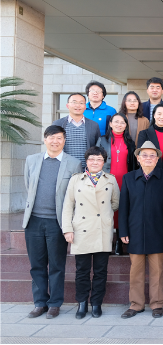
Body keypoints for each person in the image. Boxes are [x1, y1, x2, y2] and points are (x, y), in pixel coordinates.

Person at [23, 126, 82, 319]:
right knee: (37, 265)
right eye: (51, 137)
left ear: (64, 141)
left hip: (57, 222)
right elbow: (28, 186)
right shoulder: (32, 160)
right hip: (33, 221)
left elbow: (74, 195)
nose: (55, 141)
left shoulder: (73, 163)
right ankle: (40, 303)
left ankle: (55, 303)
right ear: (45, 139)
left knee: (57, 265)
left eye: (59, 138)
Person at [119, 141, 163, 319]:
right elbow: (123, 207)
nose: (148, 158)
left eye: (152, 155)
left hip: (158, 230)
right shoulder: (129, 178)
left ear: (158, 159)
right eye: (144, 155)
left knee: (157, 271)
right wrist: (123, 231)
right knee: (135, 271)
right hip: (135, 231)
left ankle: (157, 304)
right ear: (138, 158)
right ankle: (136, 305)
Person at [62, 146, 120, 319]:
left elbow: (115, 203)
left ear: (104, 162)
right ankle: (81, 303)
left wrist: (104, 216)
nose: (95, 162)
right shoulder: (76, 180)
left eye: (99, 159)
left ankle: (96, 303)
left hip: (102, 229)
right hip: (81, 229)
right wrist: (67, 229)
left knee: (101, 270)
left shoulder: (111, 179)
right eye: (92, 159)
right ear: (86, 162)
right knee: (82, 270)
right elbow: (68, 206)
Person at [96, 113, 137, 255]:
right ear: (110, 124)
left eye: (122, 122)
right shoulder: (102, 140)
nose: (119, 124)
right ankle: (107, 241)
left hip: (124, 181)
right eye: (116, 122)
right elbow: (96, 160)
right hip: (107, 180)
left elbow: (133, 164)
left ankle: (120, 240)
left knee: (122, 209)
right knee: (106, 209)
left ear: (126, 125)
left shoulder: (130, 142)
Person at [52, 93, 101, 170]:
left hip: (87, 169)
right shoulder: (58, 124)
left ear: (85, 107)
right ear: (67, 105)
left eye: (81, 103)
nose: (78, 105)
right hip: (64, 168)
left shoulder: (94, 125)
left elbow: (97, 147)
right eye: (74, 102)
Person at [137, 104, 163, 173]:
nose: (162, 117)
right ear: (154, 115)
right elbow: (140, 156)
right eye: (159, 114)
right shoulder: (144, 134)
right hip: (149, 173)